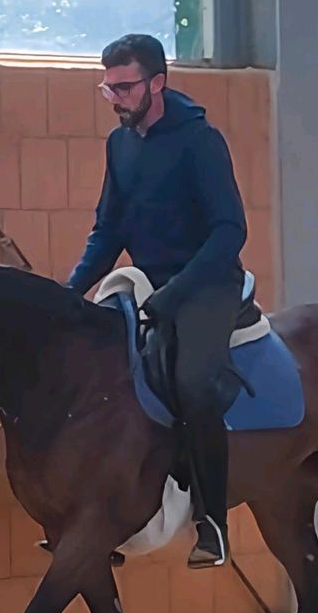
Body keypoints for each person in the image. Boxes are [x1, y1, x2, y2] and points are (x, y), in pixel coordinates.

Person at [66, 33, 248, 569]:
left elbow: (230, 231)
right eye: (108, 89)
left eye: (124, 87)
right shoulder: (118, 145)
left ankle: (212, 520)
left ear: (157, 83)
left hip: (206, 283)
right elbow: (108, 230)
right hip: (144, 282)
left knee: (192, 380)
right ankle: (106, 516)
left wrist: (178, 292)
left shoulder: (200, 141)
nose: (116, 99)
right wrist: (69, 293)